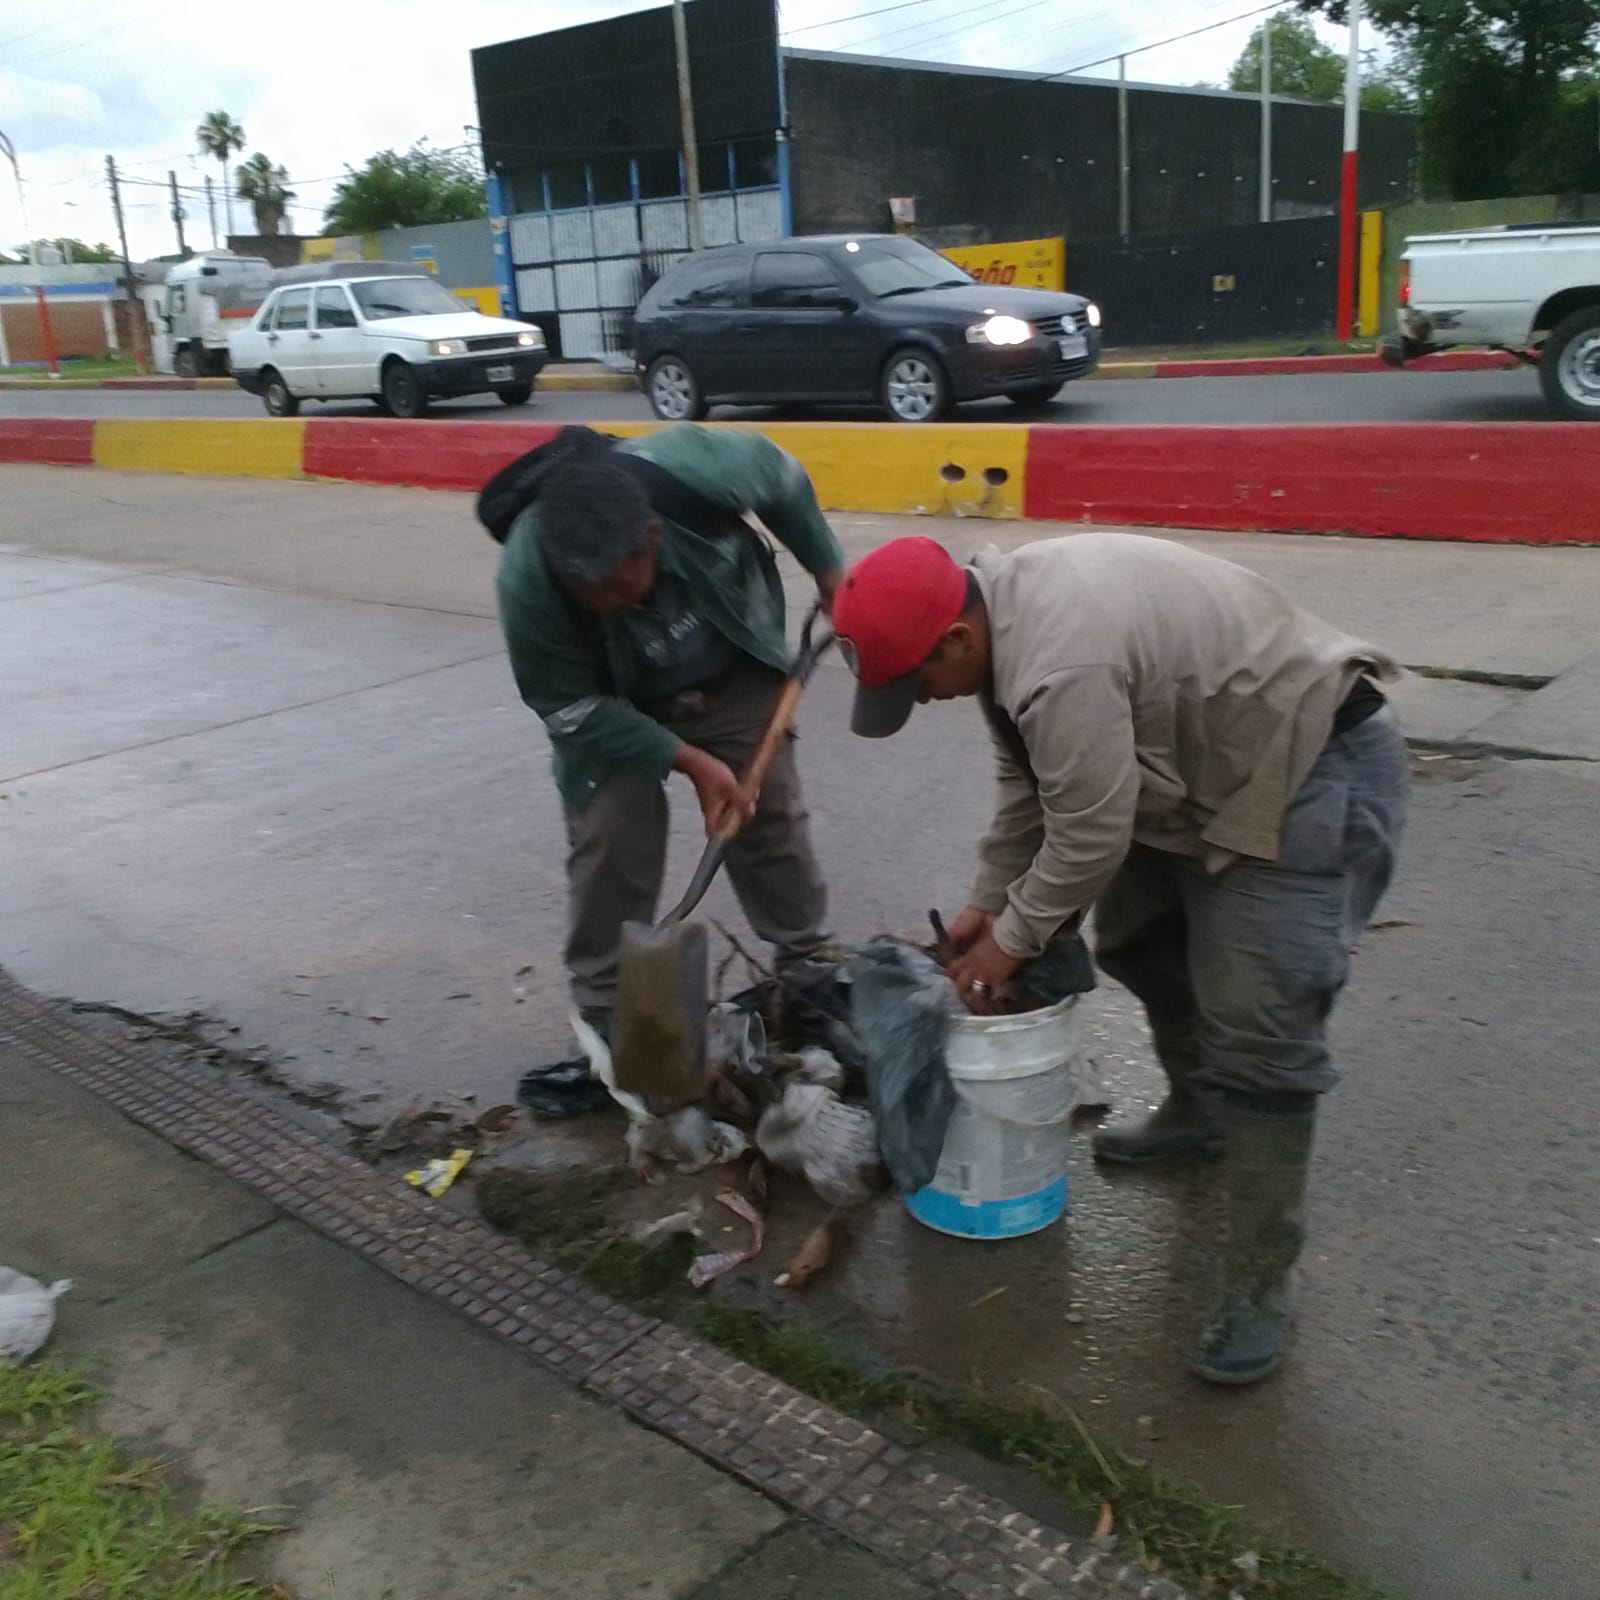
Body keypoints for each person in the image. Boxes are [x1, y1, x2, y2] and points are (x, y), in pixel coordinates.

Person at [831, 532, 1408, 1385]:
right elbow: (1032, 783)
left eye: (916, 683)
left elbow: (1091, 832)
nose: (922, 700)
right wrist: (987, 899)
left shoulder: (1059, 659)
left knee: (1260, 1031)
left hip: (1301, 766)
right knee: (1140, 941)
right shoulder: (998, 622)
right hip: (1186, 770)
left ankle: (1259, 1280)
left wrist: (1007, 943)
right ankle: (1198, 1112)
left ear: (956, 639)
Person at [487, 424, 845, 1116]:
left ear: (651, 540)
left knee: (766, 806)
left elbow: (783, 477)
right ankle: (608, 1019)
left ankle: (808, 967)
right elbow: (566, 706)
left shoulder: (688, 471)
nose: (620, 606)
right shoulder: (528, 578)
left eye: (626, 590)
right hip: (609, 698)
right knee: (612, 834)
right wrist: (685, 760)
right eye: (598, 602)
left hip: (728, 657)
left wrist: (830, 572)